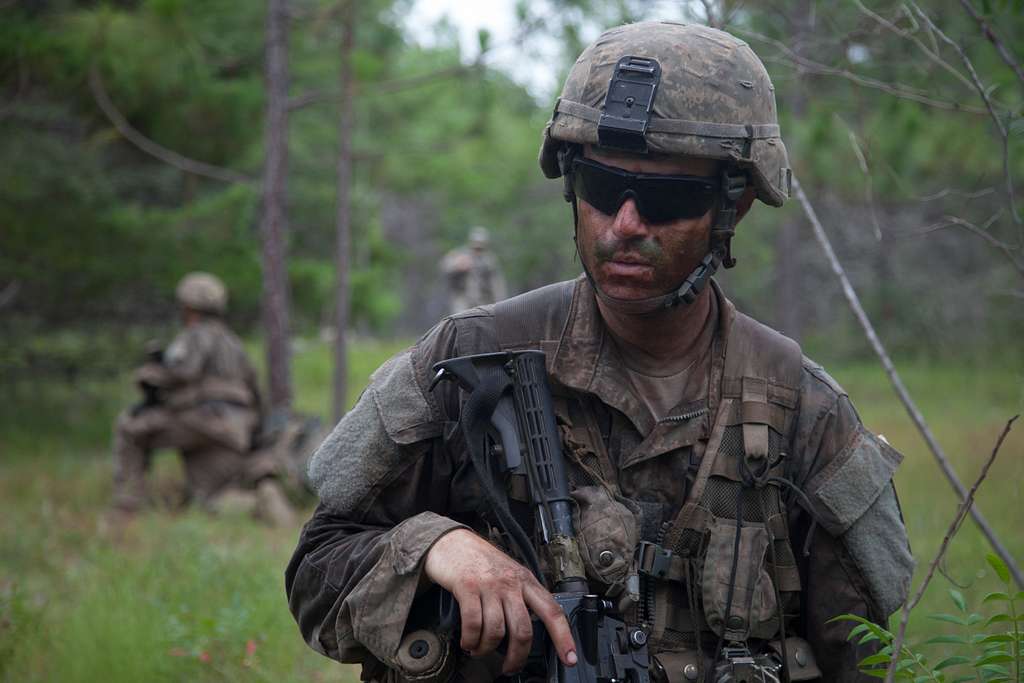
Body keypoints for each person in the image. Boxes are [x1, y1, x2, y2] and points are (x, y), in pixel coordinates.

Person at [286, 22, 913, 683]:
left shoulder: (802, 410)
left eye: (667, 198)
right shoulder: (468, 362)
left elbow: (863, 657)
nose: (626, 225)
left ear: (737, 204)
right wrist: (435, 546)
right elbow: (317, 571)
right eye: (604, 189)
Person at [111, 271, 294, 525]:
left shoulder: (194, 336)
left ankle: (126, 506)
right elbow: (257, 395)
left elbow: (181, 372)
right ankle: (257, 502)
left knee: (129, 428)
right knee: (211, 499)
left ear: (187, 307)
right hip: (235, 431)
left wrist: (149, 374)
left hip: (200, 421)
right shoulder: (235, 344)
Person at [441, 226, 508, 313]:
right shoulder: (461, 254)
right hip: (463, 298)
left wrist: (500, 302)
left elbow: (496, 284)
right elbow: (445, 266)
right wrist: (458, 265)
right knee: (460, 319)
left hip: (482, 299)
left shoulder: (489, 260)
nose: (478, 248)